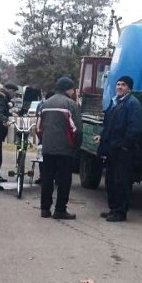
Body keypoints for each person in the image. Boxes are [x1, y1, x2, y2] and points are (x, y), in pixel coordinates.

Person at [95, 75, 142, 222]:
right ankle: (113, 209)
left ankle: (120, 212)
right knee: (111, 181)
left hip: (123, 152)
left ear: (129, 88)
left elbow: (135, 128)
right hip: (112, 150)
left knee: (121, 181)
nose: (119, 87)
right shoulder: (115, 102)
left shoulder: (132, 104)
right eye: (118, 84)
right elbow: (109, 124)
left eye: (123, 85)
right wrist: (103, 139)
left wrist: (124, 146)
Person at [38, 78, 82, 219]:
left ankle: (45, 209)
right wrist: (76, 146)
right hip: (65, 149)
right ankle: (60, 210)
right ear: (68, 89)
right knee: (64, 180)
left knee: (47, 178)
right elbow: (77, 129)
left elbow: (39, 127)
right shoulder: (70, 104)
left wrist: (44, 141)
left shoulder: (45, 104)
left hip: (48, 147)